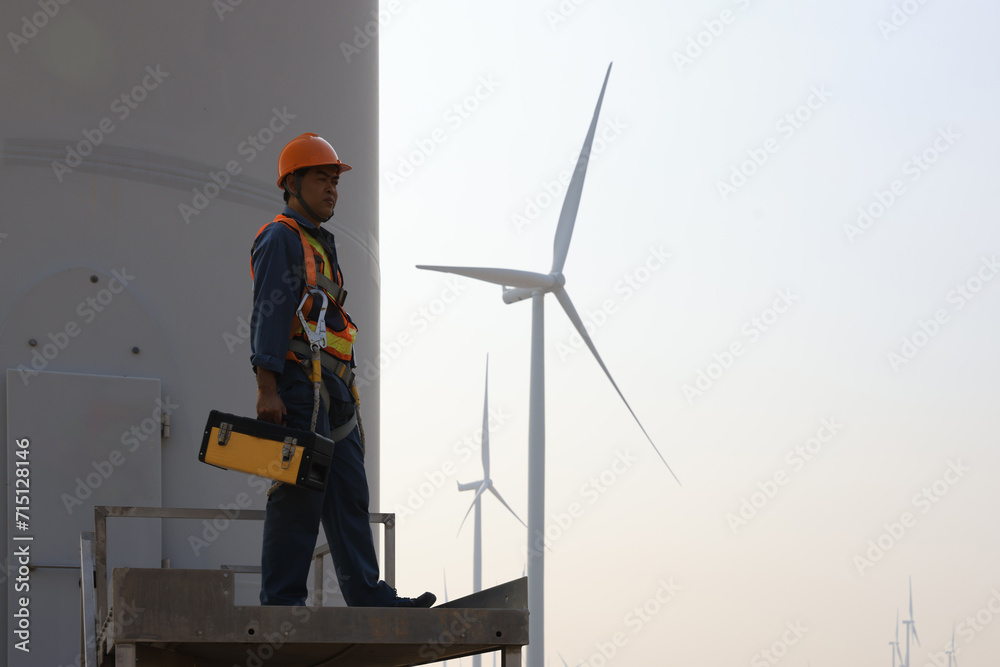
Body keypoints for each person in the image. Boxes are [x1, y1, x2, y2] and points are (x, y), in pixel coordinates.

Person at [250, 132, 435, 608]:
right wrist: (267, 389)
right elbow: (269, 316)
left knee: (349, 495)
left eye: (335, 181)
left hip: (333, 390)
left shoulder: (320, 244)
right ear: (292, 183)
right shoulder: (279, 239)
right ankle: (283, 605)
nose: (332, 189)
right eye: (321, 178)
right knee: (296, 494)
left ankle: (370, 597)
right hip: (296, 387)